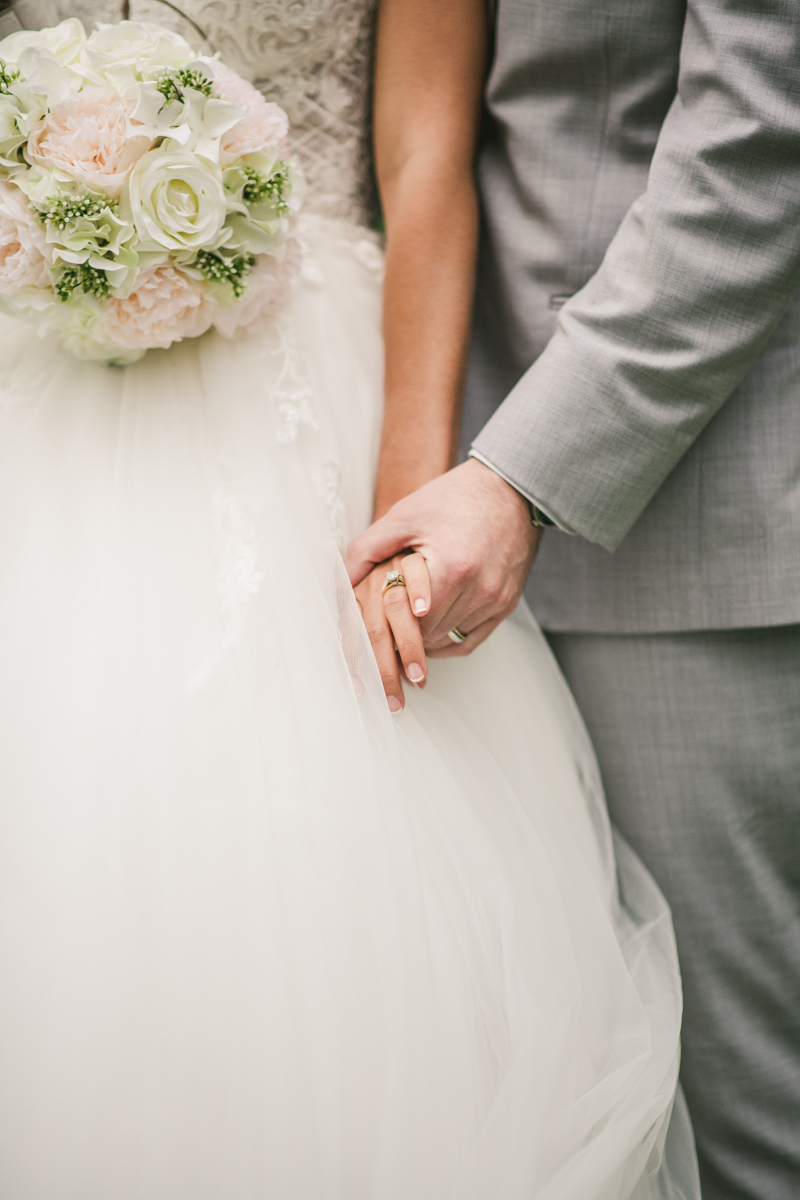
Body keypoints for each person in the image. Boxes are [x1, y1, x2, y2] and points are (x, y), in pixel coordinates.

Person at [0, 1, 698, 1195]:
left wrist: (397, 496)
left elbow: (425, 157)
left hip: (309, 372)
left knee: (323, 873)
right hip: (40, 367)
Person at [349, 0, 800, 1197]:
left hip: (676, 524)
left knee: (734, 1117)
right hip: (392, 472)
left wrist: (516, 476)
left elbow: (760, 135)